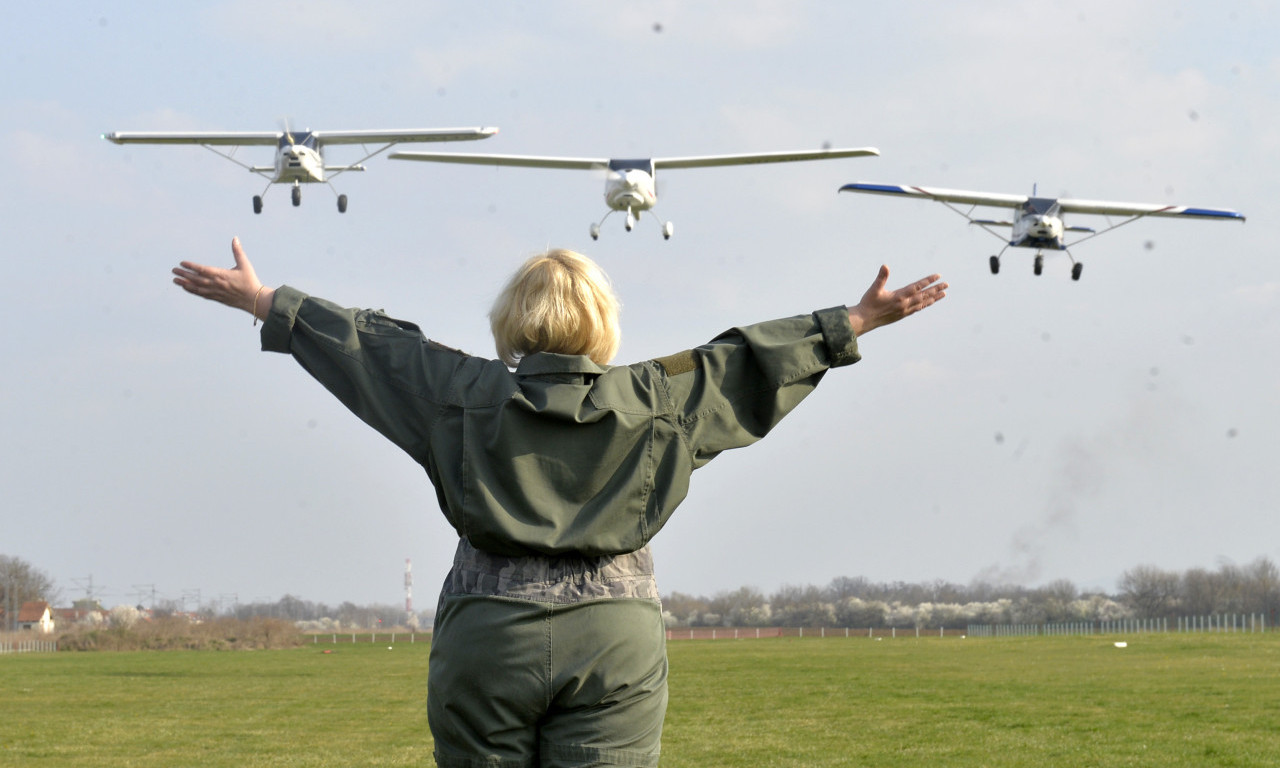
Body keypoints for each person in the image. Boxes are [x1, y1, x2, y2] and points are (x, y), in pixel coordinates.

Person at [173, 237, 947, 768]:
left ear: (513, 322)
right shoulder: (657, 398)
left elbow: (373, 350)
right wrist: (852, 323)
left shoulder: (460, 393)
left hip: (488, 637)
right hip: (613, 640)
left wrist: (266, 301)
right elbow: (741, 362)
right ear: (603, 324)